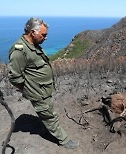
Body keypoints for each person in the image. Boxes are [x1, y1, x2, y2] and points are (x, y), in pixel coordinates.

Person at [8, 17, 79, 149]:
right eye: (43, 35)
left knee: (47, 112)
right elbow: (15, 77)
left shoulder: (33, 45)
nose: (45, 38)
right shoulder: (19, 50)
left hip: (44, 89)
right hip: (38, 92)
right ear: (33, 33)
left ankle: (44, 129)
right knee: (50, 116)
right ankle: (64, 140)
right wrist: (28, 90)